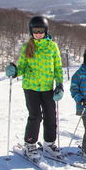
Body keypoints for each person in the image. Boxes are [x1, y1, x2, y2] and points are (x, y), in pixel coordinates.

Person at [5, 16, 64, 160]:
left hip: (47, 87)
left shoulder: (52, 46)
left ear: (46, 31)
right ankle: (30, 144)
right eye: (35, 31)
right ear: (31, 31)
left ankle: (49, 144)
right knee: (35, 116)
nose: (38, 33)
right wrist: (14, 71)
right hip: (31, 87)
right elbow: (22, 68)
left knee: (50, 115)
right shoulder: (27, 47)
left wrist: (60, 84)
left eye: (41, 30)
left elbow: (58, 67)